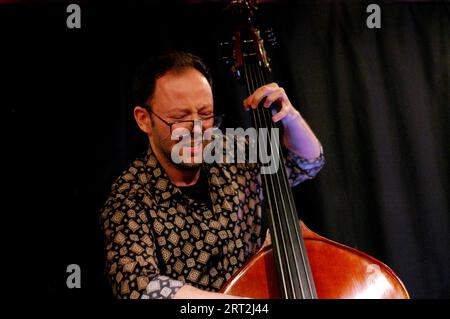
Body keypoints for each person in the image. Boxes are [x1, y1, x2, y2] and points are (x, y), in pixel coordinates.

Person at [99, 51, 324, 299]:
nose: (197, 130)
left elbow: (308, 163)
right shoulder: (129, 197)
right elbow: (138, 287)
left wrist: (290, 116)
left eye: (205, 114)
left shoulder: (230, 149)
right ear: (144, 119)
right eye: (179, 118)